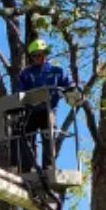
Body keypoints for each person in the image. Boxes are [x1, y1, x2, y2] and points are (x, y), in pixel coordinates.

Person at [14, 39, 80, 172]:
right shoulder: (26, 74)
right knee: (27, 138)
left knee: (48, 137)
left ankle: (48, 167)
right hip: (31, 111)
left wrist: (73, 90)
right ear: (31, 57)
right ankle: (28, 167)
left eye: (41, 54)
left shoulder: (57, 71)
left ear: (46, 54)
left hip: (49, 110)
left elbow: (69, 84)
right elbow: (19, 92)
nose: (38, 58)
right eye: (35, 55)